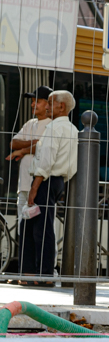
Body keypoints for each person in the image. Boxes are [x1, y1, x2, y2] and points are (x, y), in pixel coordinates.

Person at [24, 90, 78, 285]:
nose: (46, 106)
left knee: (42, 229)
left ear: (61, 106)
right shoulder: (72, 129)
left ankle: (44, 275)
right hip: (58, 181)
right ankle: (38, 273)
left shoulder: (54, 128)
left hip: (45, 180)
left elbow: (46, 160)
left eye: (50, 103)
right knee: (42, 226)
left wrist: (34, 187)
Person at [6, 85, 52, 280]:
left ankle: (43, 273)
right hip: (23, 187)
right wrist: (30, 145)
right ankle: (26, 272)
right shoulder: (30, 123)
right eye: (33, 100)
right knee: (23, 232)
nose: (33, 104)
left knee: (40, 233)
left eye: (38, 101)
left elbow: (45, 148)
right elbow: (13, 143)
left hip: (39, 188)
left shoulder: (52, 125)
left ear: (48, 104)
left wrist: (23, 150)